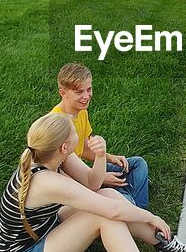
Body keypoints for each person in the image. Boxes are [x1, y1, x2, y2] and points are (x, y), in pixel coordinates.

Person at [0, 112, 186, 252]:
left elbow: (92, 184)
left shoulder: (52, 155)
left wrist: (101, 156)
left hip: (46, 226)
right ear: (65, 146)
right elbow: (111, 211)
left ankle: (163, 245)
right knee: (103, 216)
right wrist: (152, 217)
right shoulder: (46, 181)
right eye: (74, 132)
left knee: (108, 193)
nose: (79, 135)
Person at [51, 63, 150, 208]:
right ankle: (130, 206)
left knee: (137, 164)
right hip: (74, 183)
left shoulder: (81, 111)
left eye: (89, 89)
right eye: (79, 92)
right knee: (123, 199)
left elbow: (84, 148)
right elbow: (59, 174)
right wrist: (101, 178)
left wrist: (110, 158)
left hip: (84, 173)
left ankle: (136, 209)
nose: (86, 96)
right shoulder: (57, 124)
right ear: (63, 92)